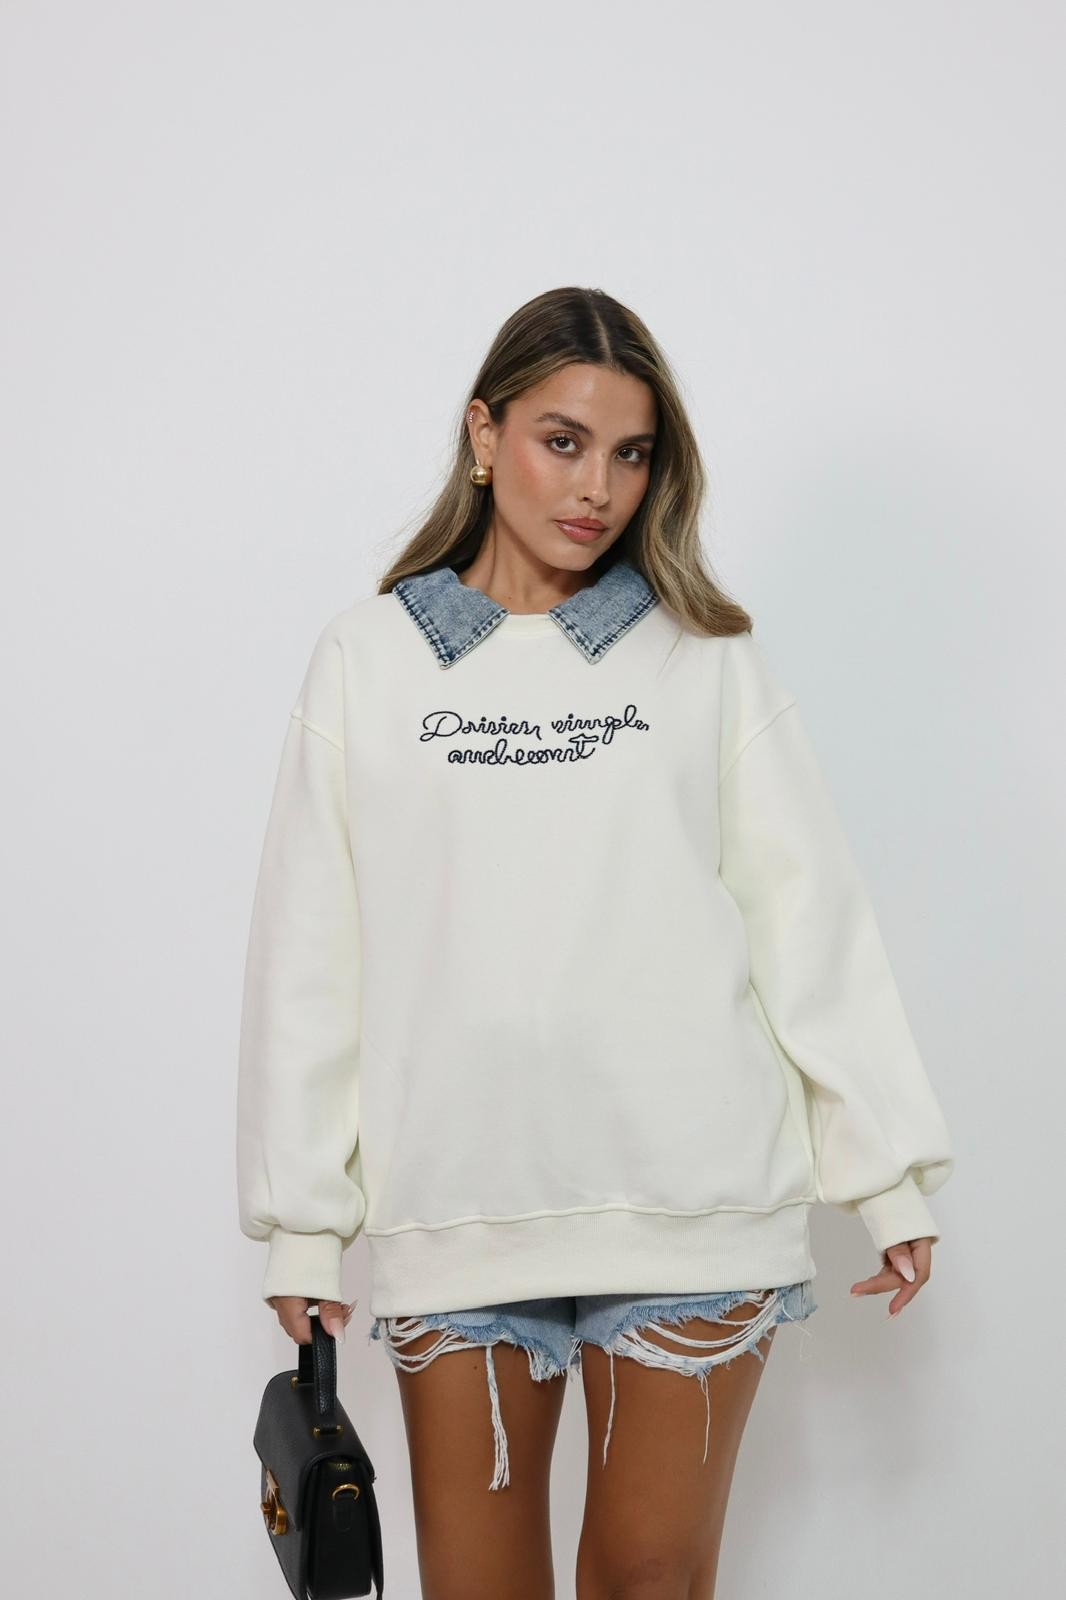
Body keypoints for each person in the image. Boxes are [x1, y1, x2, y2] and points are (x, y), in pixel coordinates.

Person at [236, 285, 955, 1599]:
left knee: (647, 1585)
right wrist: (302, 1226)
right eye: (561, 442)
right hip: (458, 1206)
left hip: (692, 1203)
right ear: (483, 434)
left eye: (630, 454)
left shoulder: (701, 659)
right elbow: (308, 955)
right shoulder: (367, 662)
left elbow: (806, 915)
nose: (597, 488)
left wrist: (886, 1173)